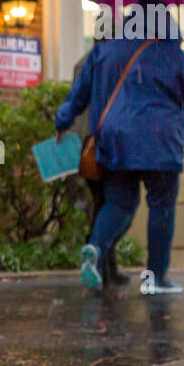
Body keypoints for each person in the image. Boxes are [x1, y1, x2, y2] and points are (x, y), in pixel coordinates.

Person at [54, 0, 184, 295]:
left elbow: (78, 94)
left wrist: (62, 120)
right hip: (159, 142)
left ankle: (95, 247)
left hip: (115, 139)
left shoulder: (105, 50)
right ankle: (156, 278)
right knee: (161, 204)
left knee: (120, 202)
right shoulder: (170, 54)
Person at [72, 36, 129, 287]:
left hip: (87, 147)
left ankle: (106, 264)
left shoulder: (83, 63)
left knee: (102, 206)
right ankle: (103, 265)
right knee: (114, 206)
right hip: (104, 146)